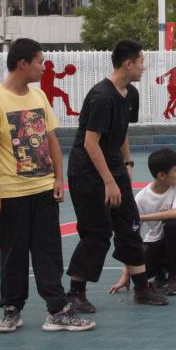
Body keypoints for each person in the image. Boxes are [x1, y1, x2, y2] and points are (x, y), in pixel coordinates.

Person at [0, 38, 94, 333]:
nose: (44, 67)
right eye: (40, 62)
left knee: (49, 252)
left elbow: (51, 139)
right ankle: (11, 310)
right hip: (11, 194)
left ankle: (57, 310)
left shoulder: (39, 96)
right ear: (23, 64)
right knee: (13, 254)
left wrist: (58, 178)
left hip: (43, 191)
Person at [66, 39, 167, 311]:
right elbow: (90, 143)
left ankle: (142, 287)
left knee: (130, 224)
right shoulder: (102, 96)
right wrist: (109, 182)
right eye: (141, 62)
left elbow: (121, 132)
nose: (144, 67)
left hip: (113, 165)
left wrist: (127, 162)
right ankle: (75, 292)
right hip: (87, 172)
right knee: (97, 232)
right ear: (128, 64)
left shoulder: (130, 94)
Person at [109, 148, 176, 297]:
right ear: (161, 175)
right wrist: (126, 274)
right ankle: (160, 274)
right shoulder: (141, 198)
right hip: (157, 242)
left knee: (172, 224)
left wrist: (142, 217)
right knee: (141, 271)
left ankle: (174, 276)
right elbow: (132, 238)